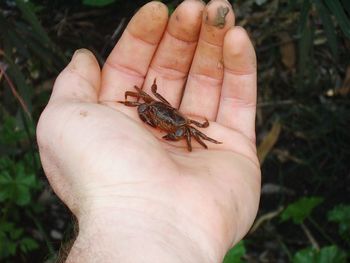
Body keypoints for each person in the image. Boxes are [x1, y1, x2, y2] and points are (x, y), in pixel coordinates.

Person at [36, 0, 261, 262]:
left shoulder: (184, 127)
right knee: (148, 101)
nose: (160, 125)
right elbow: (145, 95)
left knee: (188, 130)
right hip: (162, 109)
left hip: (178, 121)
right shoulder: (152, 105)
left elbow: (197, 130)